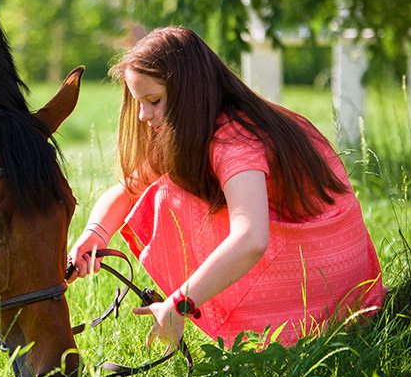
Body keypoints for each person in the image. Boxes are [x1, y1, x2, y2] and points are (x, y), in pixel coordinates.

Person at [68, 26, 385, 352]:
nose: (143, 115)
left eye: (154, 101)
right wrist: (95, 233)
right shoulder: (207, 128)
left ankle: (271, 336)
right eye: (138, 102)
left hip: (324, 290)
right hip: (351, 282)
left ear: (189, 92)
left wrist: (179, 304)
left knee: (167, 197)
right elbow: (126, 190)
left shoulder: (234, 140)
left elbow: (250, 238)